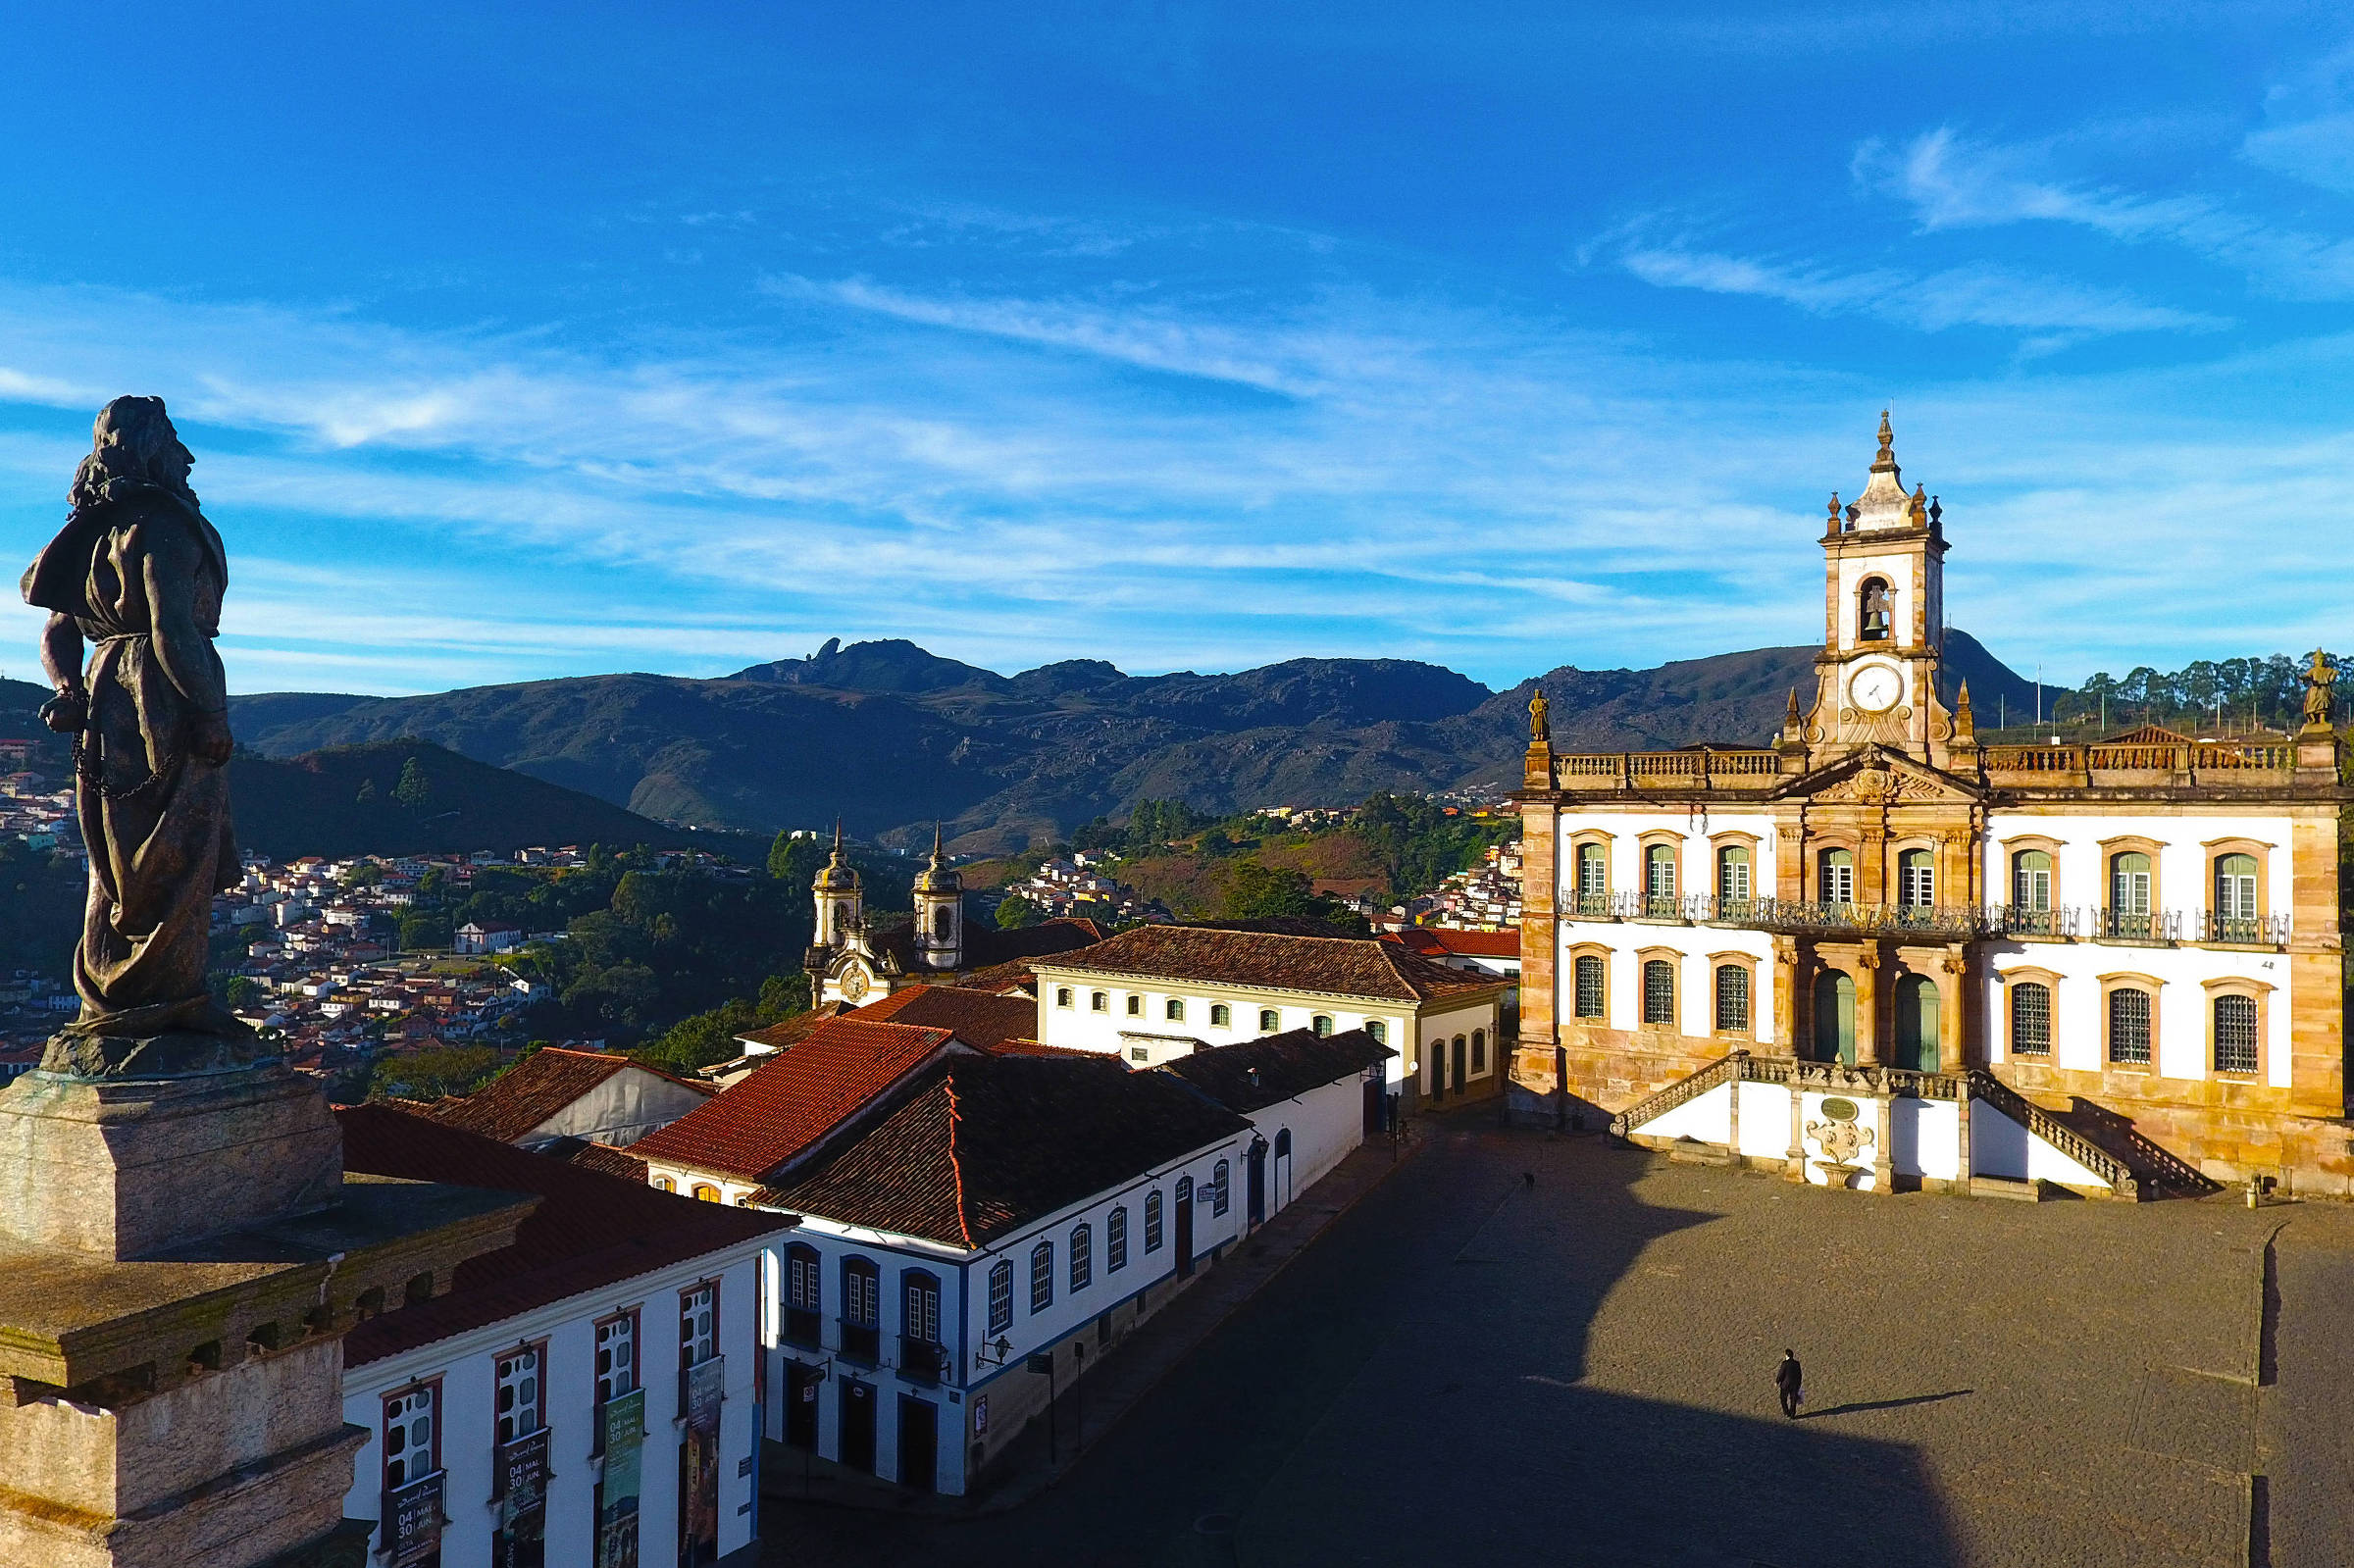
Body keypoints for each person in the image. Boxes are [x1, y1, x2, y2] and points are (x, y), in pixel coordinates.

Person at [21, 396, 255, 1077]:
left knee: (115, 856)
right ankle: (170, 1001)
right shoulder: (163, 527)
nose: (185, 456)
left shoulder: (88, 535)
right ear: (158, 450)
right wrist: (208, 712)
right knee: (179, 846)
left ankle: (111, 994)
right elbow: (171, 628)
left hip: (103, 692)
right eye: (175, 442)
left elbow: (56, 630)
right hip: (161, 694)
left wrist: (69, 690)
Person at [1775, 1348, 1804, 1419]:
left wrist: (1777, 1381)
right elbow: (1799, 1374)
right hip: (1795, 1384)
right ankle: (1792, 1414)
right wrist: (1799, 1383)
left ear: (1786, 1355)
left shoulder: (1784, 1363)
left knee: (1783, 1398)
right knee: (1793, 1399)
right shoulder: (1797, 1363)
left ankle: (1786, 1412)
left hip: (1785, 1384)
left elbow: (1781, 1374)